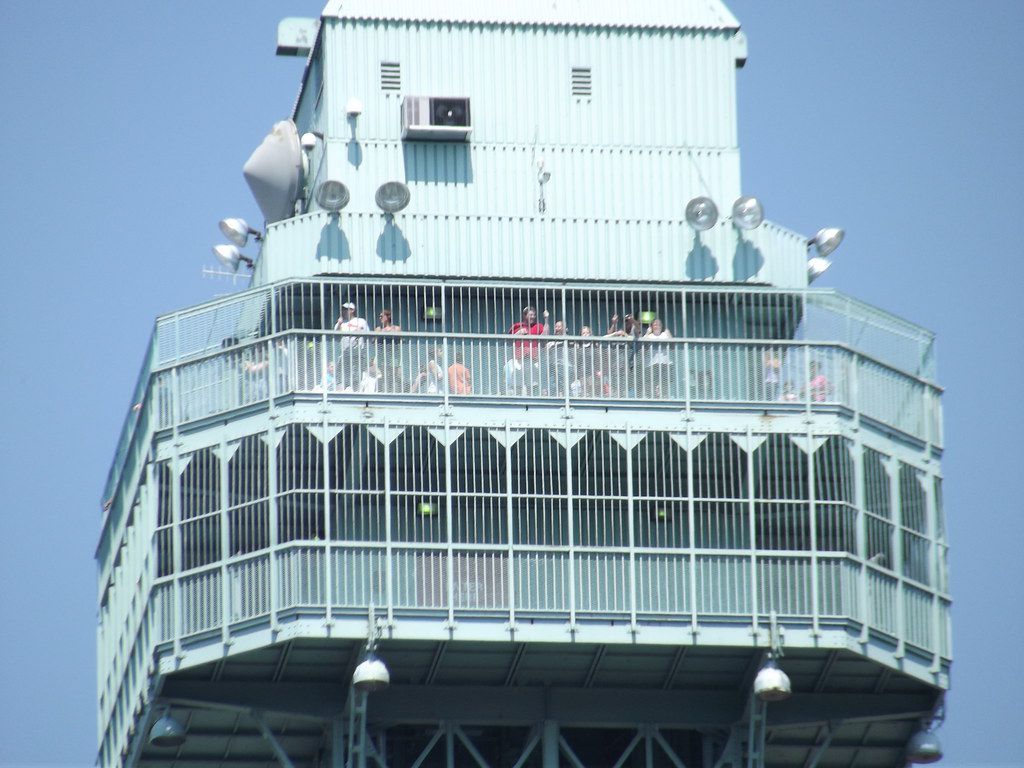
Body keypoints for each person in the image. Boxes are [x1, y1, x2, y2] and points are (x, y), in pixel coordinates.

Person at [508, 306, 548, 394]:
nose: (533, 317)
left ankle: (531, 398)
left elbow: (546, 335)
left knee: (531, 382)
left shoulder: (538, 326)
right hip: (519, 359)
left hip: (532, 359)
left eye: (534, 315)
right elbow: (509, 339)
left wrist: (546, 319)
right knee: (518, 383)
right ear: (525, 316)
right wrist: (519, 333)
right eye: (530, 315)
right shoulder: (517, 326)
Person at [334, 301, 369, 391]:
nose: (344, 311)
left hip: (358, 353)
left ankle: (357, 390)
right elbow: (335, 336)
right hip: (345, 353)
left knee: (358, 373)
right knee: (345, 374)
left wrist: (359, 331)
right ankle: (347, 390)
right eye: (343, 309)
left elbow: (368, 334)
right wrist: (339, 324)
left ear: (352, 310)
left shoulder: (361, 321)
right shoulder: (341, 323)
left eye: (346, 309)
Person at [642, 317, 673, 398]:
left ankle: (664, 398)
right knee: (651, 383)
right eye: (655, 324)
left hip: (664, 363)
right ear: (651, 326)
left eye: (659, 324)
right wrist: (647, 333)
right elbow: (643, 347)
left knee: (664, 383)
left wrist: (669, 335)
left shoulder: (665, 335)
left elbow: (672, 347)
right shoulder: (649, 336)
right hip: (652, 364)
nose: (657, 326)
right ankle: (651, 398)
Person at [374, 308, 403, 392]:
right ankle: (382, 391)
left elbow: (401, 340)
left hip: (394, 355)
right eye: (379, 317)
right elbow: (374, 341)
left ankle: (392, 391)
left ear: (388, 316)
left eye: (382, 316)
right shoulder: (378, 329)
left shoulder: (396, 328)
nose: (380, 318)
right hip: (382, 356)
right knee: (383, 375)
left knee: (394, 375)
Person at [544, 320, 573, 396]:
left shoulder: (568, 339)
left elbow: (571, 345)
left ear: (565, 328)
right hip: (553, 366)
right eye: (556, 326)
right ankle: (552, 401)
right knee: (552, 385)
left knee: (564, 385)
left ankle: (569, 400)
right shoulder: (552, 341)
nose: (557, 328)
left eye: (559, 326)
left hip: (564, 366)